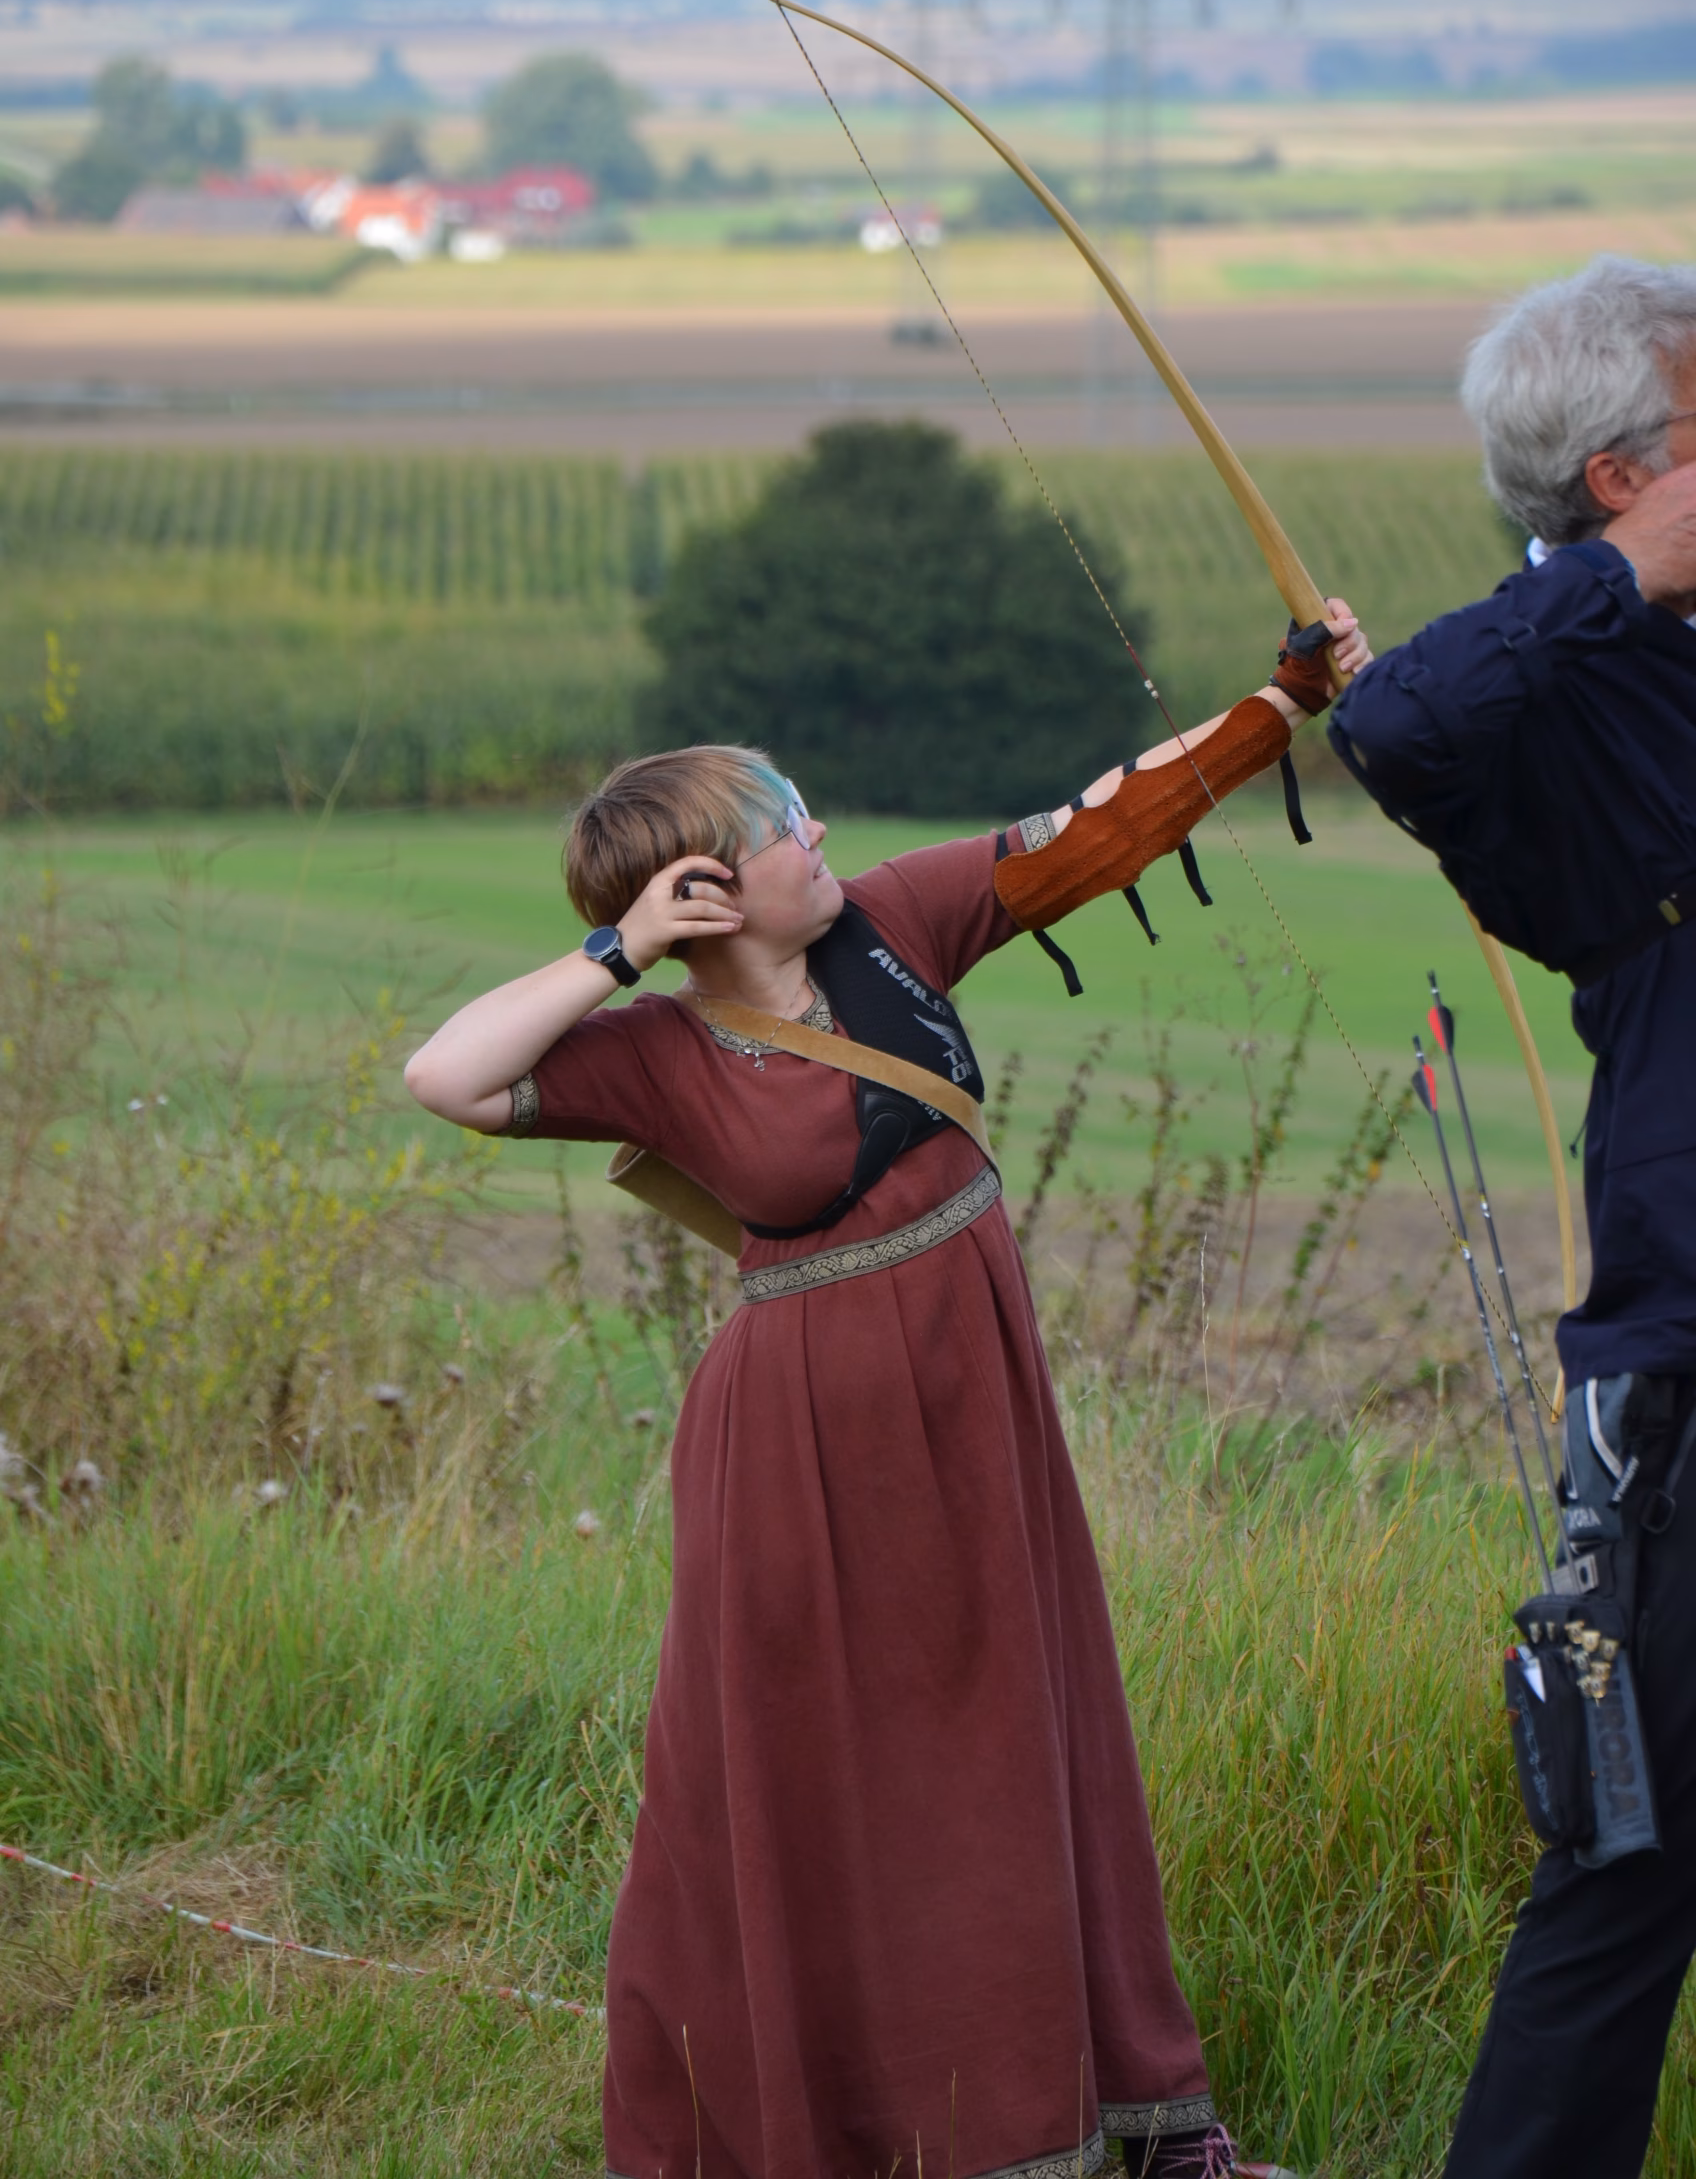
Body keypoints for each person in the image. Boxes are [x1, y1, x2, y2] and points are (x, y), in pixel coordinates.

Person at [405, 603, 1369, 2179]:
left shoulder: (893, 924)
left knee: (1021, 1741)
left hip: (969, 1401)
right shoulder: (656, 1049)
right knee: (837, 1781)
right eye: (786, 824)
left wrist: (1280, 704)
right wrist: (618, 950)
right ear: (706, 888)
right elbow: (445, 1076)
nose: (820, 834)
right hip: (799, 1455)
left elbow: (1094, 830)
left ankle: (1139, 2124)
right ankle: (875, 2131)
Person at [1326, 255, 1696, 2179]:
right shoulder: (1542, 683)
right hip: (1686, 1325)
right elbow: (1394, 727)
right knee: (1633, 1855)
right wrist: (1613, 577)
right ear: (1630, 475)